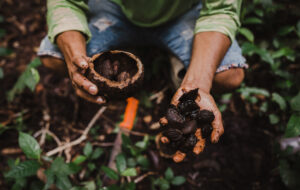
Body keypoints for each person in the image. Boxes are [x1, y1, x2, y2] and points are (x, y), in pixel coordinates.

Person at [38, 0, 247, 144]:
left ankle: (181, 65)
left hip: (184, 12)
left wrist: (198, 83)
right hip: (113, 7)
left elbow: (220, 11)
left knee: (226, 76)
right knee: (55, 57)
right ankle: (130, 50)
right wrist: (76, 58)